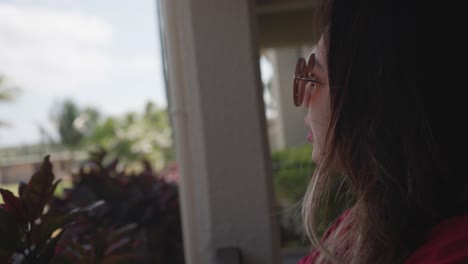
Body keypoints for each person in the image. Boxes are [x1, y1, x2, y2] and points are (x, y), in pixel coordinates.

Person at [294, 0, 468, 263]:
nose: (305, 100)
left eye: (314, 78)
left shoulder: (450, 251)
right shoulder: (358, 229)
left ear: (372, 103)